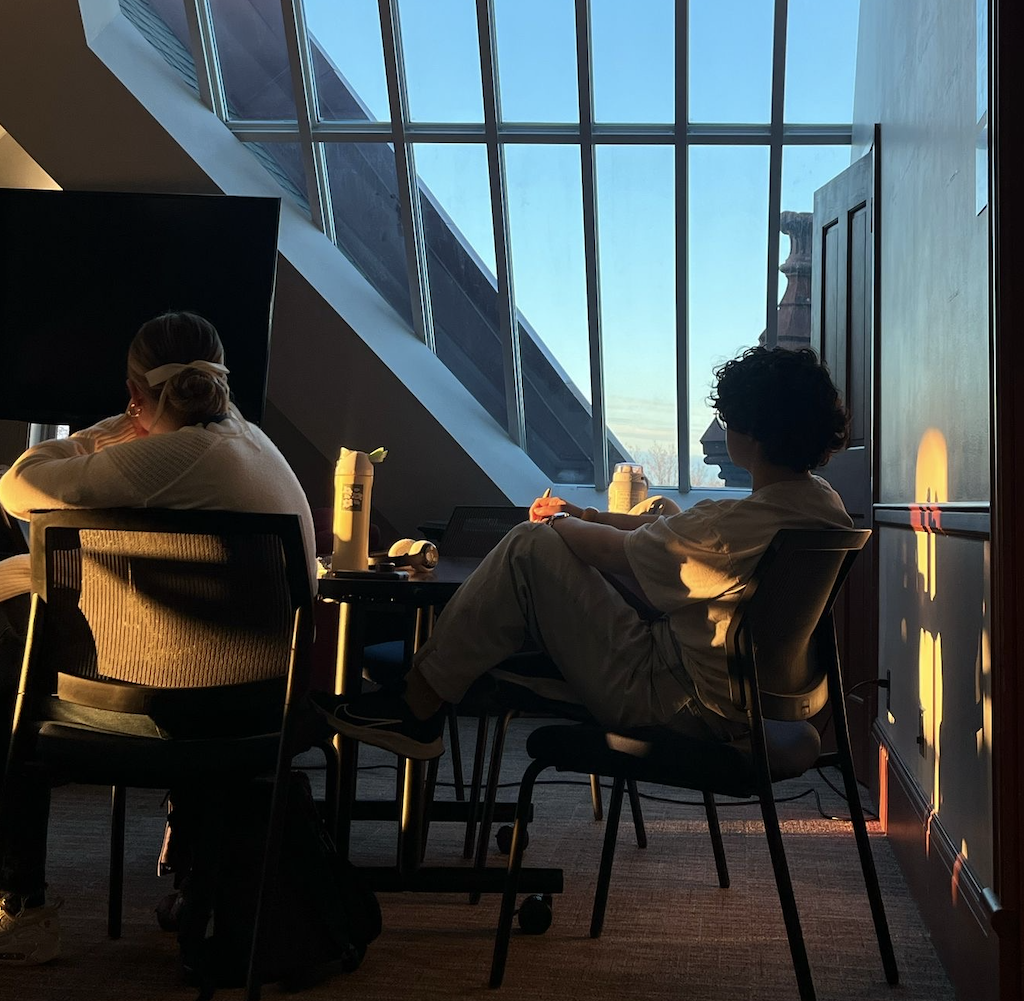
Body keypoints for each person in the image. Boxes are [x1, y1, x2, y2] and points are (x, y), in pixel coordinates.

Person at [317, 345, 854, 762]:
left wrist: (558, 521)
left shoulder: (734, 531)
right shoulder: (817, 506)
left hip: (679, 703)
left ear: (752, 435)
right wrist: (588, 516)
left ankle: (416, 706)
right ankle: (465, 670)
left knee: (528, 546)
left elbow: (621, 553)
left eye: (729, 420)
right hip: (754, 700)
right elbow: (675, 530)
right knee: (655, 511)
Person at [0, 311, 315, 966]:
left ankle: (21, 903)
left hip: (166, 712)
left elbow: (16, 486)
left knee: (11, 687)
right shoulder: (254, 445)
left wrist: (113, 428)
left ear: (135, 393)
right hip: (261, 710)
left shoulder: (168, 458)